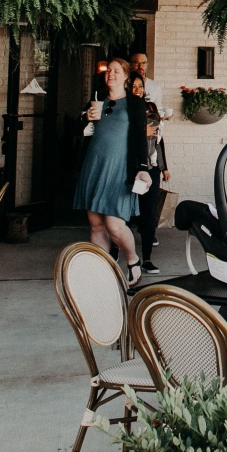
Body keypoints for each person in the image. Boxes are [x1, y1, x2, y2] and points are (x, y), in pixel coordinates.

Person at [74, 58, 143, 292]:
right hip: (94, 166)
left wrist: (142, 168)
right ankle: (102, 270)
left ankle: (133, 260)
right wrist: (86, 118)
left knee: (114, 224)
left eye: (116, 71)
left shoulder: (134, 103)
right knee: (95, 223)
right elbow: (80, 130)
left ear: (126, 77)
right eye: (108, 71)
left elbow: (140, 139)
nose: (110, 74)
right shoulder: (97, 99)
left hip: (119, 170)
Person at [128, 72, 168, 273]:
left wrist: (164, 167)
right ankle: (118, 249)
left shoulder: (150, 107)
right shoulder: (123, 107)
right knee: (124, 211)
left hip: (150, 167)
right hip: (130, 166)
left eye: (140, 86)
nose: (137, 90)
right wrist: (140, 132)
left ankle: (147, 258)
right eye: (133, 86)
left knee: (149, 211)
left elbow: (159, 140)